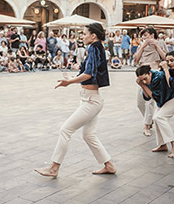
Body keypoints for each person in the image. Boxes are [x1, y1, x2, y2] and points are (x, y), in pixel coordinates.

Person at [35, 22, 116, 177]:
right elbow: (89, 73)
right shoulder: (97, 48)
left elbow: (90, 74)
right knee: (88, 135)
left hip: (91, 101)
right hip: (91, 98)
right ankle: (109, 165)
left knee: (65, 129)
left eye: (84, 33)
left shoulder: (93, 48)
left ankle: (53, 168)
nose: (82, 36)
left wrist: (69, 82)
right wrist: (73, 77)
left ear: (93, 35)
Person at [135, 64, 174, 158]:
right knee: (157, 117)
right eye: (141, 80)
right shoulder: (149, 79)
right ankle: (162, 145)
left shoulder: (158, 77)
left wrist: (142, 85)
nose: (145, 82)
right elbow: (147, 97)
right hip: (166, 99)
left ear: (149, 73)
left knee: (159, 117)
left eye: (145, 78)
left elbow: (155, 97)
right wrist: (142, 85)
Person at [133, 27, 166, 137]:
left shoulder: (160, 43)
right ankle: (149, 120)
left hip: (153, 71)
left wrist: (155, 45)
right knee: (140, 102)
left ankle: (146, 125)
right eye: (143, 36)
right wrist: (142, 46)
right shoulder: (141, 45)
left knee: (149, 102)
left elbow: (165, 57)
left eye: (146, 35)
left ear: (152, 35)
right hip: (142, 72)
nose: (144, 38)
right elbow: (136, 60)